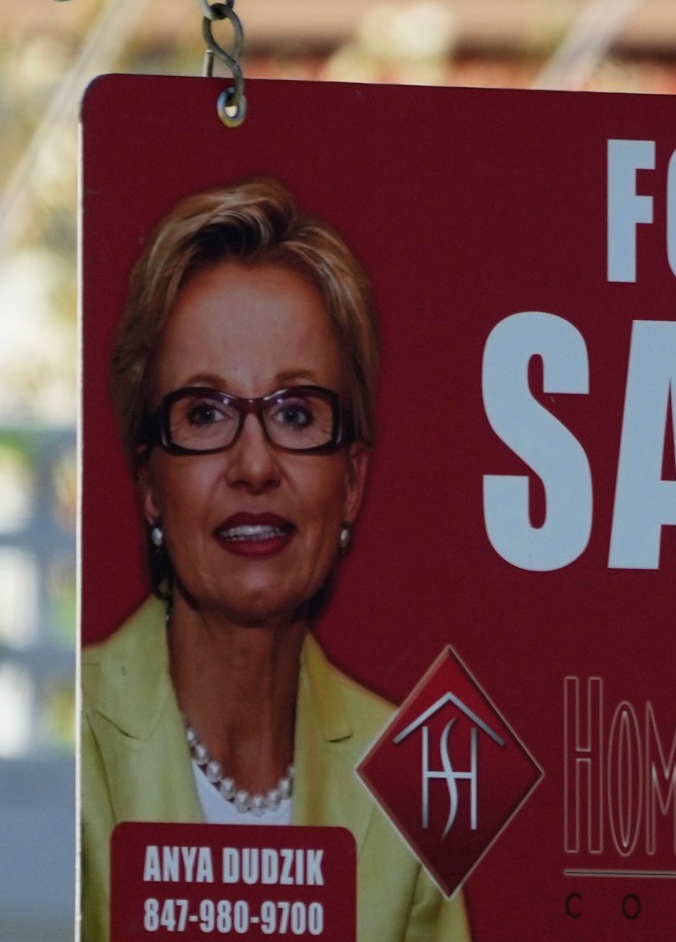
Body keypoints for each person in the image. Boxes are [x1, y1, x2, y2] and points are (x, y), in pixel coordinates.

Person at [80, 178, 468, 942]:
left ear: (352, 480)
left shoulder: (418, 779)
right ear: (150, 482)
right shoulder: (68, 739)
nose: (254, 464)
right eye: (203, 412)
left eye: (296, 413)